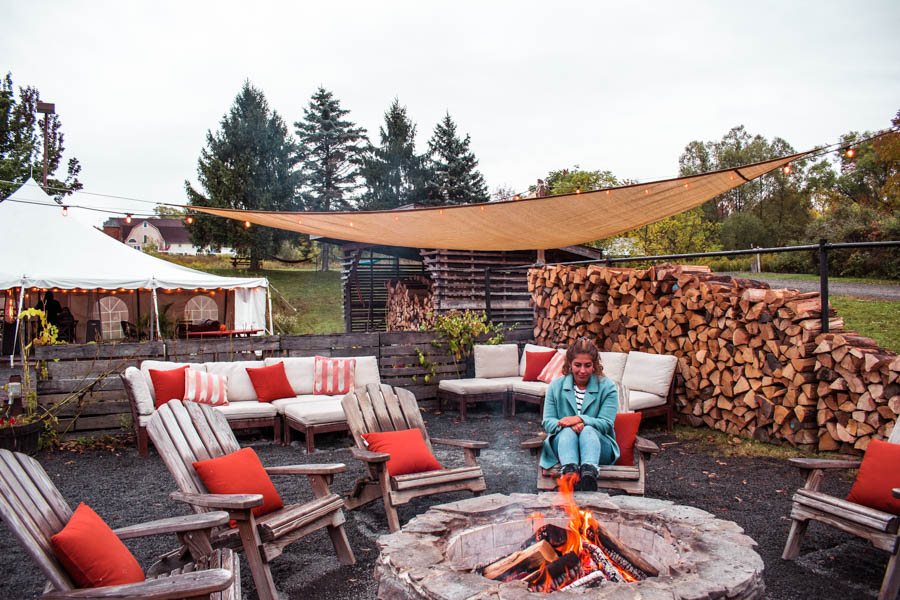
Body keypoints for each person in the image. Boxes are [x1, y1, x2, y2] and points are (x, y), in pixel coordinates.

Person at [539, 337, 619, 491]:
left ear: (595, 365)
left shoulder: (607, 387)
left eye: (588, 365)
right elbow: (548, 421)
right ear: (569, 364)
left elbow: (606, 423)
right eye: (578, 365)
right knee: (568, 432)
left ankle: (589, 473)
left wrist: (580, 419)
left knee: (588, 430)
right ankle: (569, 471)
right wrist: (567, 425)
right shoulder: (556, 386)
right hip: (563, 445)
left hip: (599, 448)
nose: (582, 371)